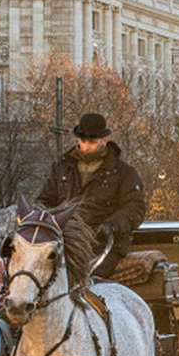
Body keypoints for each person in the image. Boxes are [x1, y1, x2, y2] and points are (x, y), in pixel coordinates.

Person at [38, 112, 147, 279]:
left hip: (104, 244)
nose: (86, 146)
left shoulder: (124, 173)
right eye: (82, 141)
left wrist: (111, 226)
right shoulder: (62, 168)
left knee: (88, 279)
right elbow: (44, 199)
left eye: (92, 142)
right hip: (65, 243)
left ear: (104, 140)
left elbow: (135, 208)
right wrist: (41, 215)